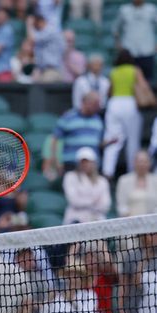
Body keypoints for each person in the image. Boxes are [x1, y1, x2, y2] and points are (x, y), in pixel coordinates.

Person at [101, 50, 147, 178]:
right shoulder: (134, 70)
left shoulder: (113, 72)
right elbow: (143, 86)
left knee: (112, 139)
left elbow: (109, 91)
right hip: (130, 103)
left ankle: (107, 171)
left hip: (114, 104)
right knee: (133, 140)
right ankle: (133, 172)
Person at [62, 146, 110, 224]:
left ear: (94, 163)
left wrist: (85, 201)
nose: (85, 164)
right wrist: (94, 201)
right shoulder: (70, 176)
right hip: (75, 221)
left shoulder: (102, 181)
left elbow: (105, 205)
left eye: (88, 161)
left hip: (98, 222)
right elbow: (74, 201)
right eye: (82, 162)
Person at [116, 150, 157, 217]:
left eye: (145, 162)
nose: (142, 164)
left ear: (149, 163)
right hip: (129, 222)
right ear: (134, 163)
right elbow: (121, 205)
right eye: (139, 161)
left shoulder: (155, 180)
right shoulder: (123, 180)